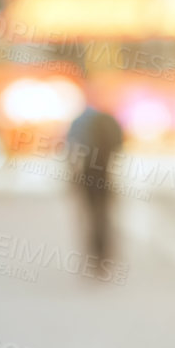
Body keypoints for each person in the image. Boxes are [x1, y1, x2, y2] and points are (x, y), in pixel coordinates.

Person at [65, 82, 125, 265]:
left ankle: (94, 253)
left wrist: (71, 173)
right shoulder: (110, 120)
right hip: (105, 172)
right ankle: (105, 252)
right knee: (104, 213)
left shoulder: (80, 121)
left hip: (87, 173)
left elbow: (71, 149)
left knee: (90, 214)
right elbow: (120, 145)